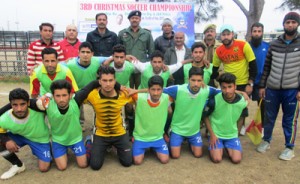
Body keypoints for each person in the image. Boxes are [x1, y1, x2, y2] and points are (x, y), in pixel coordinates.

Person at [257, 12, 300, 161]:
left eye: (293, 22)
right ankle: (266, 140)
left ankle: (289, 147)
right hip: (273, 88)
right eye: (287, 22)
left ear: (297, 24)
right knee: (269, 117)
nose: (290, 25)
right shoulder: (274, 44)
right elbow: (267, 66)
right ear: (283, 24)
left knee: (289, 120)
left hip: (292, 89)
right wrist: (262, 86)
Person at [36, 79, 101, 170]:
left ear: (70, 95)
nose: (61, 99)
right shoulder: (47, 103)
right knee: (62, 167)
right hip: (58, 140)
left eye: (64, 95)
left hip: (75, 139)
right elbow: (24, 103)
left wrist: (119, 87)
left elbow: (94, 83)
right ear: (53, 96)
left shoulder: (76, 99)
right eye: (57, 96)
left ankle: (88, 142)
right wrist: (45, 96)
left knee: (83, 165)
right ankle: (54, 148)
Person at [163, 67, 219, 158]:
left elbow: (225, 91)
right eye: (193, 80)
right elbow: (157, 89)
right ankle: (171, 133)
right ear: (188, 79)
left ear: (202, 81)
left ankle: (190, 141)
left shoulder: (207, 90)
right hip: (178, 129)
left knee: (198, 154)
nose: (196, 84)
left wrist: (242, 93)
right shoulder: (178, 89)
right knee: (175, 155)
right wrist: (137, 91)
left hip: (194, 131)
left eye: (199, 80)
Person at [212, 24, 257, 134]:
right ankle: (228, 128)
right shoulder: (219, 50)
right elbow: (214, 70)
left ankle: (238, 130)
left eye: (228, 34)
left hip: (243, 82)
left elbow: (253, 65)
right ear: (220, 36)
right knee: (227, 108)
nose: (226, 37)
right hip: (228, 84)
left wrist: (250, 84)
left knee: (242, 109)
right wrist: (222, 82)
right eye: (223, 35)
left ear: (233, 34)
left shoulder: (243, 45)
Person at [86, 66, 133, 170]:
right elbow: (74, 98)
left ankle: (117, 146)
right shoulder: (92, 95)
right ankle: (89, 141)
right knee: (95, 165)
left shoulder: (123, 94)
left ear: (115, 81)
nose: (108, 84)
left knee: (127, 162)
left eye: (111, 80)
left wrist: (135, 92)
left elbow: (145, 96)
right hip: (101, 133)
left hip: (119, 132)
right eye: (104, 80)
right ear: (99, 81)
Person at [0, 88, 51, 180]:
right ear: (10, 105)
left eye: (22, 104)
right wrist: (6, 140)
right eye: (15, 105)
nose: (19, 109)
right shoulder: (4, 118)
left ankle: (50, 149)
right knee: (0, 142)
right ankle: (18, 165)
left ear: (28, 103)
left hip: (40, 139)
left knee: (44, 168)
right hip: (20, 136)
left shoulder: (39, 109)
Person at [204, 73, 248, 164]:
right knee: (217, 159)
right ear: (220, 88)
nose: (227, 90)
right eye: (224, 87)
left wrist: (237, 134)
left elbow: (241, 118)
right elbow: (205, 116)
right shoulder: (214, 100)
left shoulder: (242, 101)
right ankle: (217, 147)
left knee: (236, 160)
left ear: (235, 86)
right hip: (216, 134)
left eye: (230, 86)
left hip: (231, 135)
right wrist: (212, 134)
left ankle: (227, 147)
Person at [67, 42, 107, 130]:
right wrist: (39, 65)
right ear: (78, 53)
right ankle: (79, 124)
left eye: (88, 52)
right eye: (83, 52)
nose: (85, 54)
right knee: (75, 104)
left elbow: (112, 57)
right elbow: (58, 65)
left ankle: (98, 124)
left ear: (92, 54)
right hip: (78, 91)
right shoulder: (70, 64)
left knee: (100, 103)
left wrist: (126, 57)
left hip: (92, 90)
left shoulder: (96, 61)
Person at [132, 75, 170, 165]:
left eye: (158, 89)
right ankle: (136, 142)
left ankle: (154, 148)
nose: (156, 93)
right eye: (153, 89)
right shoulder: (138, 98)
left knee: (165, 160)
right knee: (137, 161)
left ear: (162, 89)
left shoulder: (167, 98)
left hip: (158, 138)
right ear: (148, 89)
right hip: (141, 138)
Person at [119, 10, 155, 88]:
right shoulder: (122, 33)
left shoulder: (147, 34)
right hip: (126, 67)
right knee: (127, 90)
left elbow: (152, 52)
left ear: (140, 19)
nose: (135, 20)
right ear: (129, 19)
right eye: (132, 18)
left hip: (142, 68)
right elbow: (118, 51)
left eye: (137, 18)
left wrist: (148, 66)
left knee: (142, 90)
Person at [249, 22, 269, 125]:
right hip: (248, 80)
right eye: (254, 31)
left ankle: (263, 129)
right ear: (251, 33)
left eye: (259, 31)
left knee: (263, 106)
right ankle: (241, 126)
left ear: (262, 33)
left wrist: (265, 83)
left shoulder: (267, 46)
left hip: (262, 82)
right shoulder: (246, 46)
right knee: (242, 104)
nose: (257, 34)